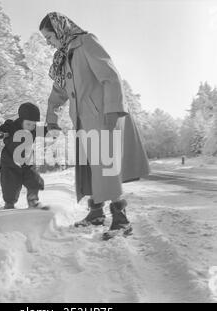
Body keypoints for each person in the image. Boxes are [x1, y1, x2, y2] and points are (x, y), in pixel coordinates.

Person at [39, 12, 150, 240]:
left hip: (102, 117)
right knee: (91, 169)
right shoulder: (62, 59)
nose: (47, 43)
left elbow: (111, 76)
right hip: (82, 121)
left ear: (60, 30)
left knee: (106, 168)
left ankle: (121, 220)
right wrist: (52, 118)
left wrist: (113, 111)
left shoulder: (86, 43)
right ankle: (96, 213)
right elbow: (57, 94)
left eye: (49, 37)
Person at [0, 102, 50, 210]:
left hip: (26, 162)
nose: (31, 127)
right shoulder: (11, 126)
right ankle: (9, 203)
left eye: (33, 124)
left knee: (33, 180)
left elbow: (46, 131)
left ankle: (33, 200)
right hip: (9, 162)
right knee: (10, 185)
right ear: (21, 120)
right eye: (28, 124)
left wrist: (51, 129)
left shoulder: (34, 129)